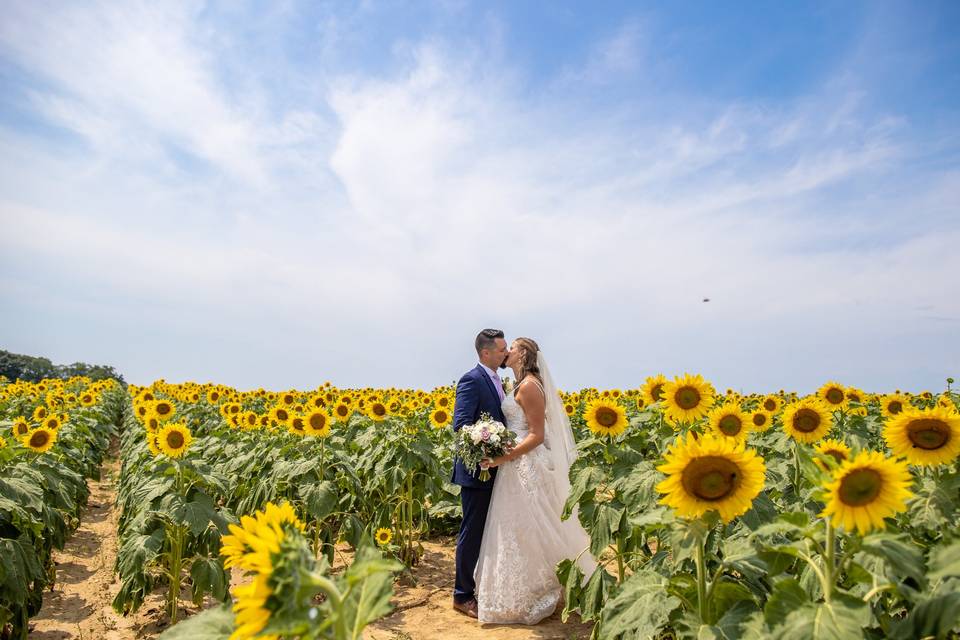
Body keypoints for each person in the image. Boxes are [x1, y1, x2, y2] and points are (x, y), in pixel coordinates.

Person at [473, 337, 596, 624]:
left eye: (512, 347)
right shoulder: (517, 384)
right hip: (513, 464)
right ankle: (523, 587)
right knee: (518, 529)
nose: (508, 351)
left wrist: (502, 457)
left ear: (524, 354)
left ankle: (543, 587)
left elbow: (537, 435)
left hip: (525, 463)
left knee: (533, 526)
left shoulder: (529, 386)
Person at [450, 328, 510, 618]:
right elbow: (461, 425)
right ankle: (461, 596)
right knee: (472, 532)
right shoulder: (472, 380)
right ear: (486, 353)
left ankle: (480, 586)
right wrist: (485, 443)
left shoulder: (499, 381)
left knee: (488, 531)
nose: (505, 353)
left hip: (496, 470)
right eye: (501, 349)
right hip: (477, 471)